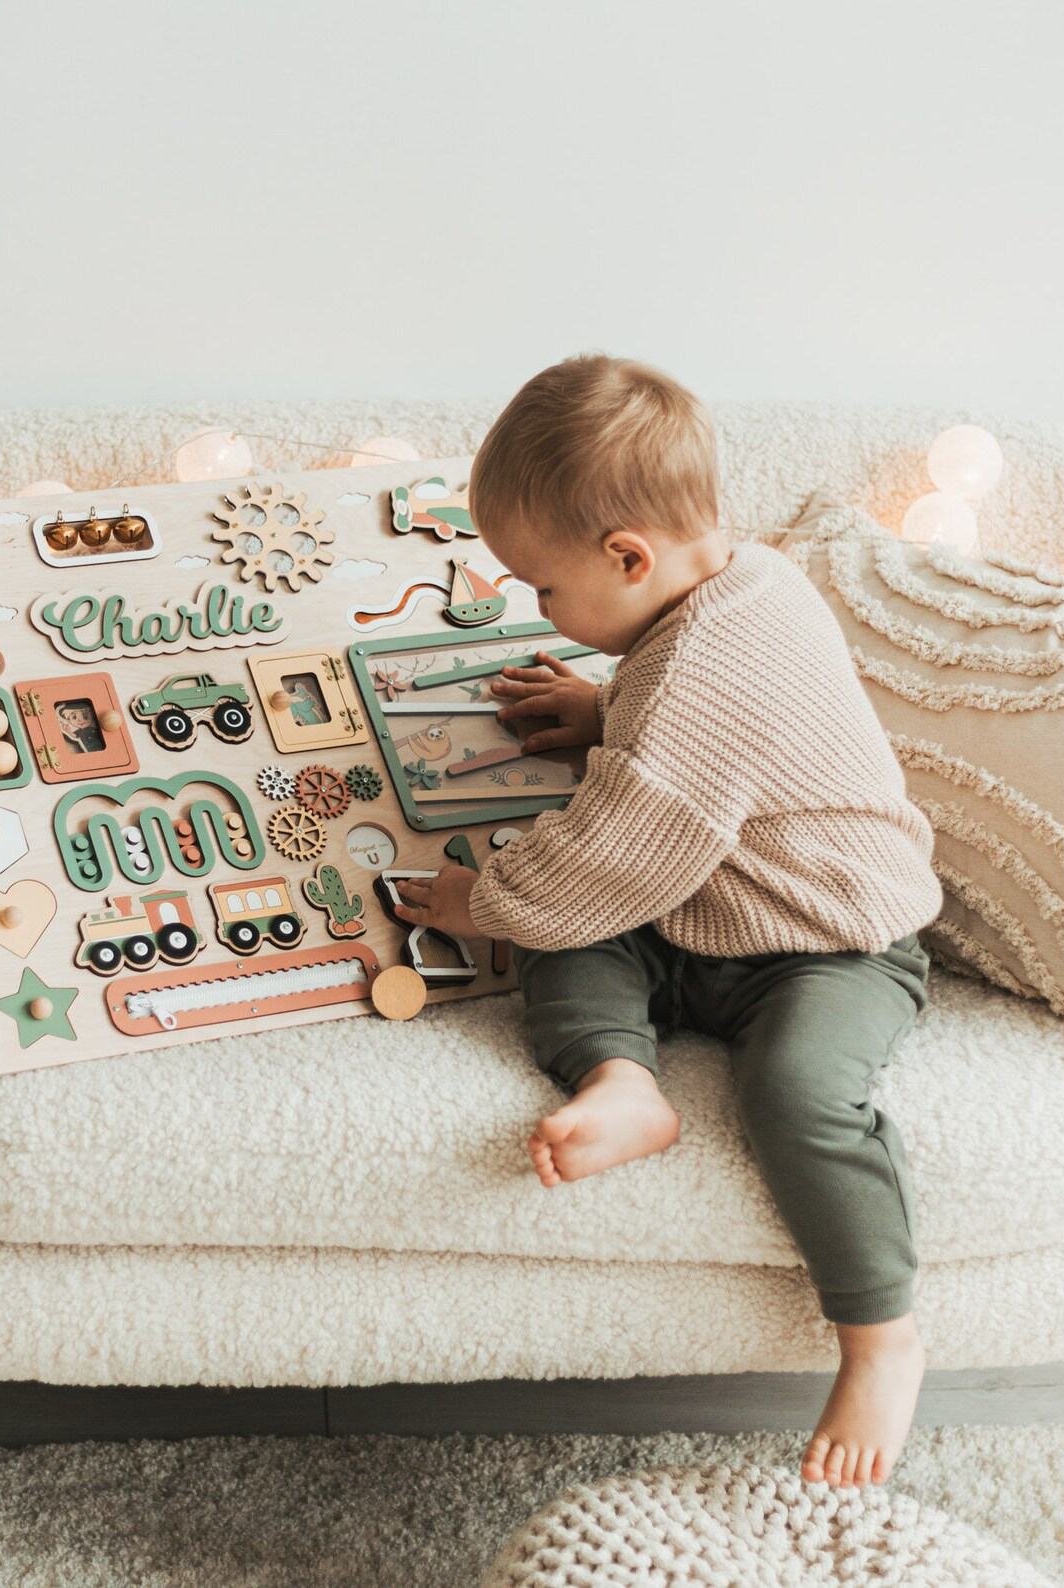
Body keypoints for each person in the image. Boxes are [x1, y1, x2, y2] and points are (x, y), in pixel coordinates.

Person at [394, 353, 942, 1489]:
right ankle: (624, 1080)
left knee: (795, 1088)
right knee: (585, 942)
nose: (536, 608)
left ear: (627, 557)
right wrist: (603, 710)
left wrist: (479, 900)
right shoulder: (743, 585)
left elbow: (615, 843)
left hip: (831, 942)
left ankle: (881, 1334)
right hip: (706, 905)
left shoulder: (699, 669)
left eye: (542, 588)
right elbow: (692, 743)